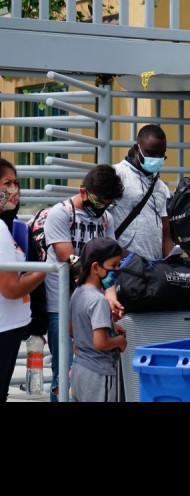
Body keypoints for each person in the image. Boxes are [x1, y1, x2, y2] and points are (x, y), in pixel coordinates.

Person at [42, 163, 124, 402]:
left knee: (87, 368)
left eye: (108, 204)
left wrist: (111, 297)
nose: (102, 209)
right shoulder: (61, 214)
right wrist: (101, 298)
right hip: (62, 305)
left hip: (91, 303)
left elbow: (110, 262)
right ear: (83, 192)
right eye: (99, 203)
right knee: (63, 374)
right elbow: (70, 262)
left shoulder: (106, 219)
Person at [0, 158, 47, 402]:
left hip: (11, 328)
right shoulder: (0, 229)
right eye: (7, 183)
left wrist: (37, 327)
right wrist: (45, 270)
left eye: (16, 183)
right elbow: (11, 288)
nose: (14, 190)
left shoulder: (15, 228)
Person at [69, 236, 127, 402]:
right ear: (95, 267)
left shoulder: (77, 293)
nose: (117, 270)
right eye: (113, 265)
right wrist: (120, 341)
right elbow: (100, 343)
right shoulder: (99, 300)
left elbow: (73, 328)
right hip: (99, 374)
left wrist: (110, 326)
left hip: (79, 370)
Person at [113, 124, 174, 259]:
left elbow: (166, 235)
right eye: (151, 153)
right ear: (137, 149)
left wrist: (172, 261)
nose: (156, 158)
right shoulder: (117, 175)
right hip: (122, 264)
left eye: (161, 154)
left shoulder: (161, 188)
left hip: (153, 266)